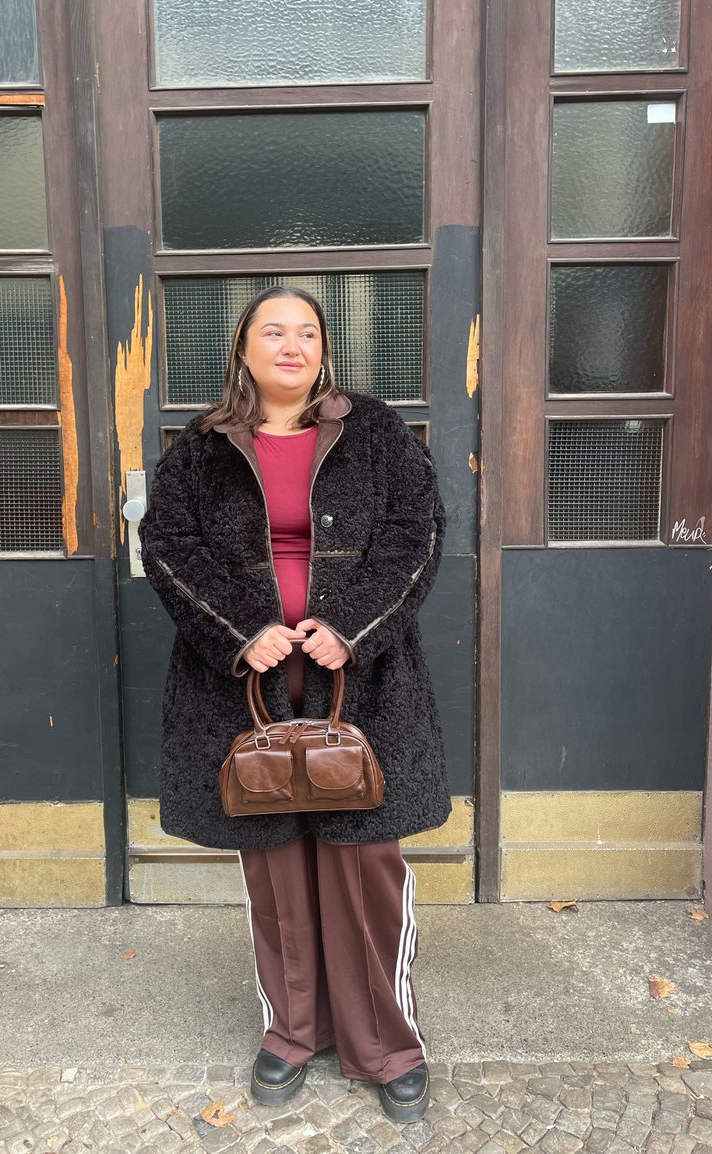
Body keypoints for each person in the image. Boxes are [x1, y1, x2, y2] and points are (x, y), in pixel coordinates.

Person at [138, 285, 451, 1124]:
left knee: (366, 871)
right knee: (275, 870)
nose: (291, 345)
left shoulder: (375, 431)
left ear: (324, 350)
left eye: (306, 332)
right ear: (243, 350)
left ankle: (387, 1045)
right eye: (272, 331)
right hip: (246, 695)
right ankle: (292, 1032)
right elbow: (167, 547)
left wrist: (353, 627)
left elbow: (417, 533)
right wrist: (243, 631)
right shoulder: (200, 448)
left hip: (363, 687)